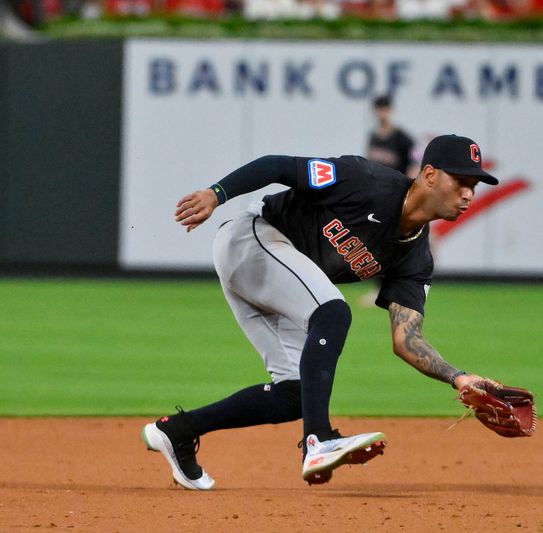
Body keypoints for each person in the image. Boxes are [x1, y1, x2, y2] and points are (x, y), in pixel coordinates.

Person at [141, 134, 497, 490]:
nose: (469, 193)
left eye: (475, 185)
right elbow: (279, 165)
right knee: (333, 313)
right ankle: (318, 440)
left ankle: (178, 432)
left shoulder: (416, 259)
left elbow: (407, 340)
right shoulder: (365, 180)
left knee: (297, 393)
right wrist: (216, 194)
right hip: (253, 239)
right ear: (430, 175)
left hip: (273, 276)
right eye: (461, 181)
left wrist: (459, 377)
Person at [366, 94, 417, 177]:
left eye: (384, 109)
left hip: (397, 186)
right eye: (379, 109)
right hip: (376, 186)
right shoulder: (373, 137)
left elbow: (413, 167)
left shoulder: (403, 139)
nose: (381, 114)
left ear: (391, 110)